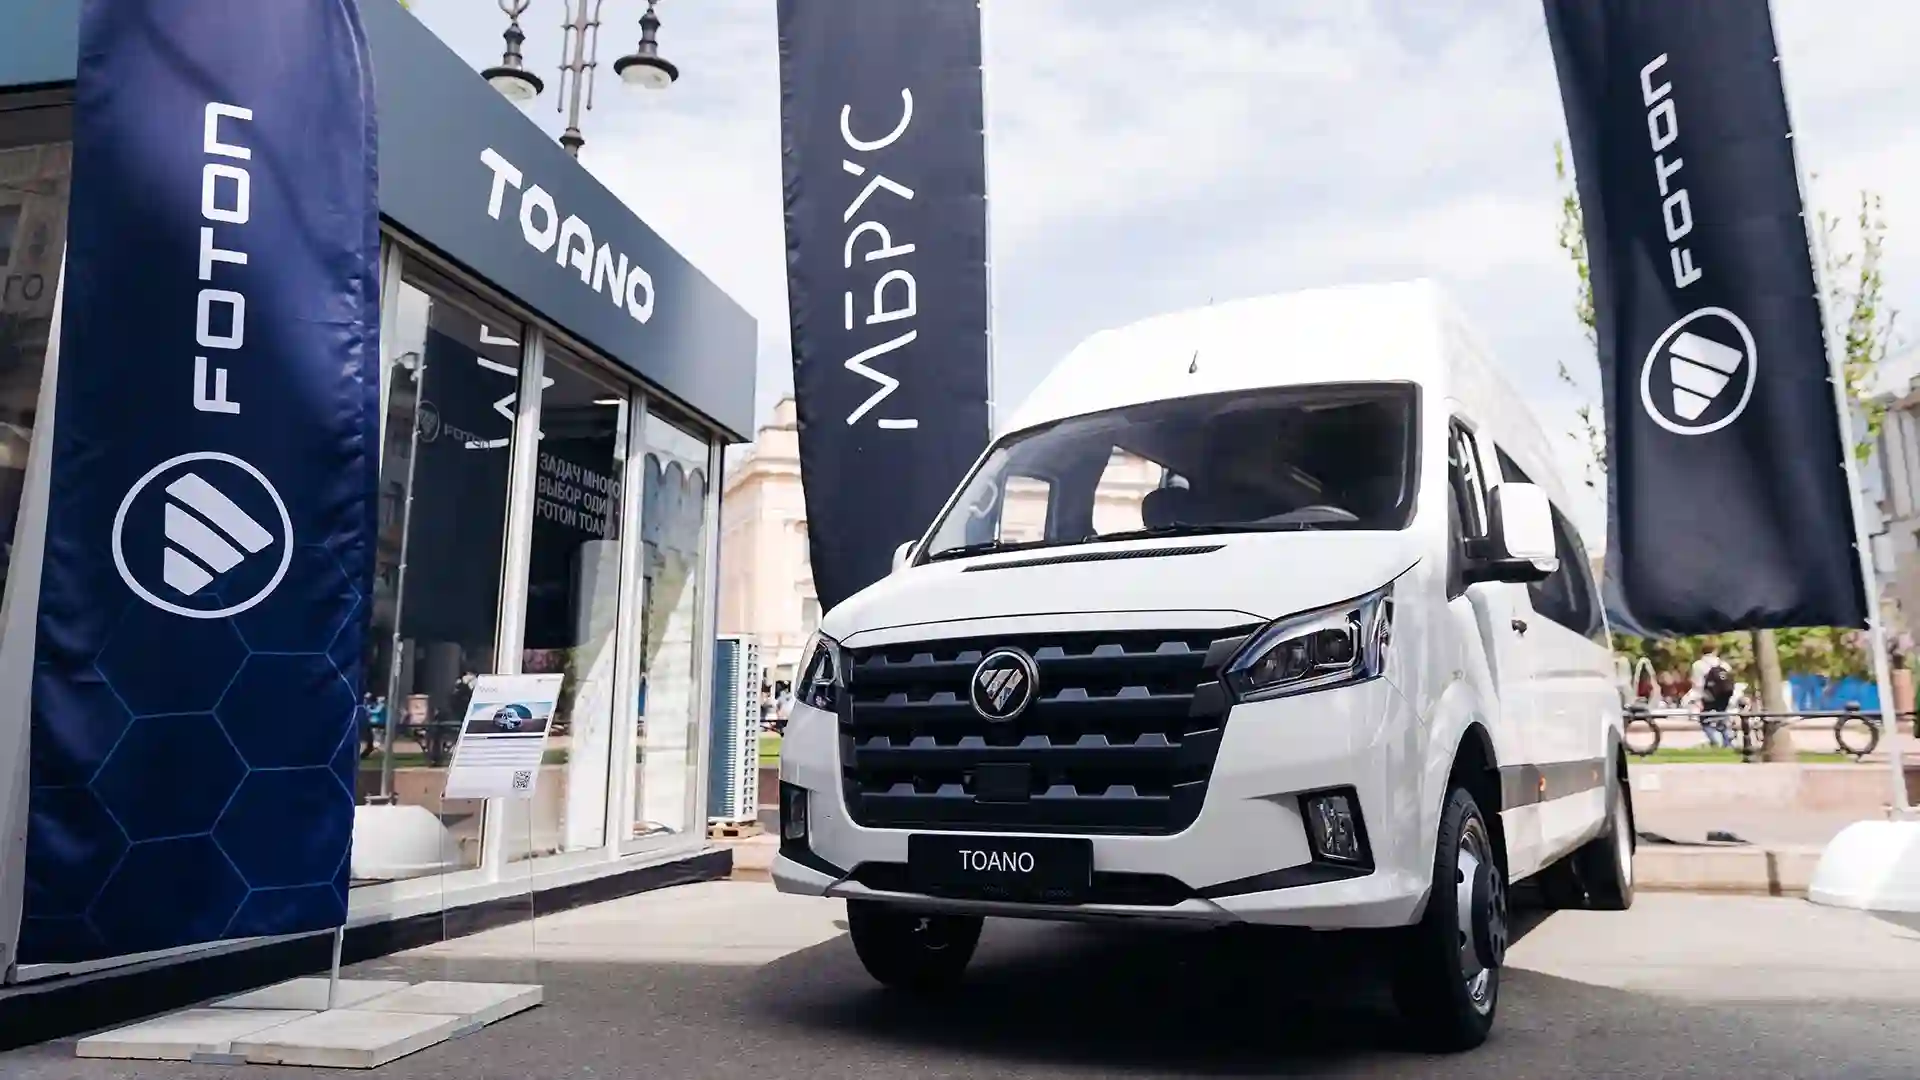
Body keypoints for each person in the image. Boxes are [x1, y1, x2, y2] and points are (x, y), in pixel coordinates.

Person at [1690, 645, 1735, 748]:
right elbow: (1730, 678)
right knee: (1722, 717)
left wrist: (1697, 698)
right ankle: (1727, 743)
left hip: (1707, 695)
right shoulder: (1724, 664)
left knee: (1704, 720)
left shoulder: (1697, 665)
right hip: (1723, 695)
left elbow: (1696, 683)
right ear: (1715, 651)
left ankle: (1715, 741)